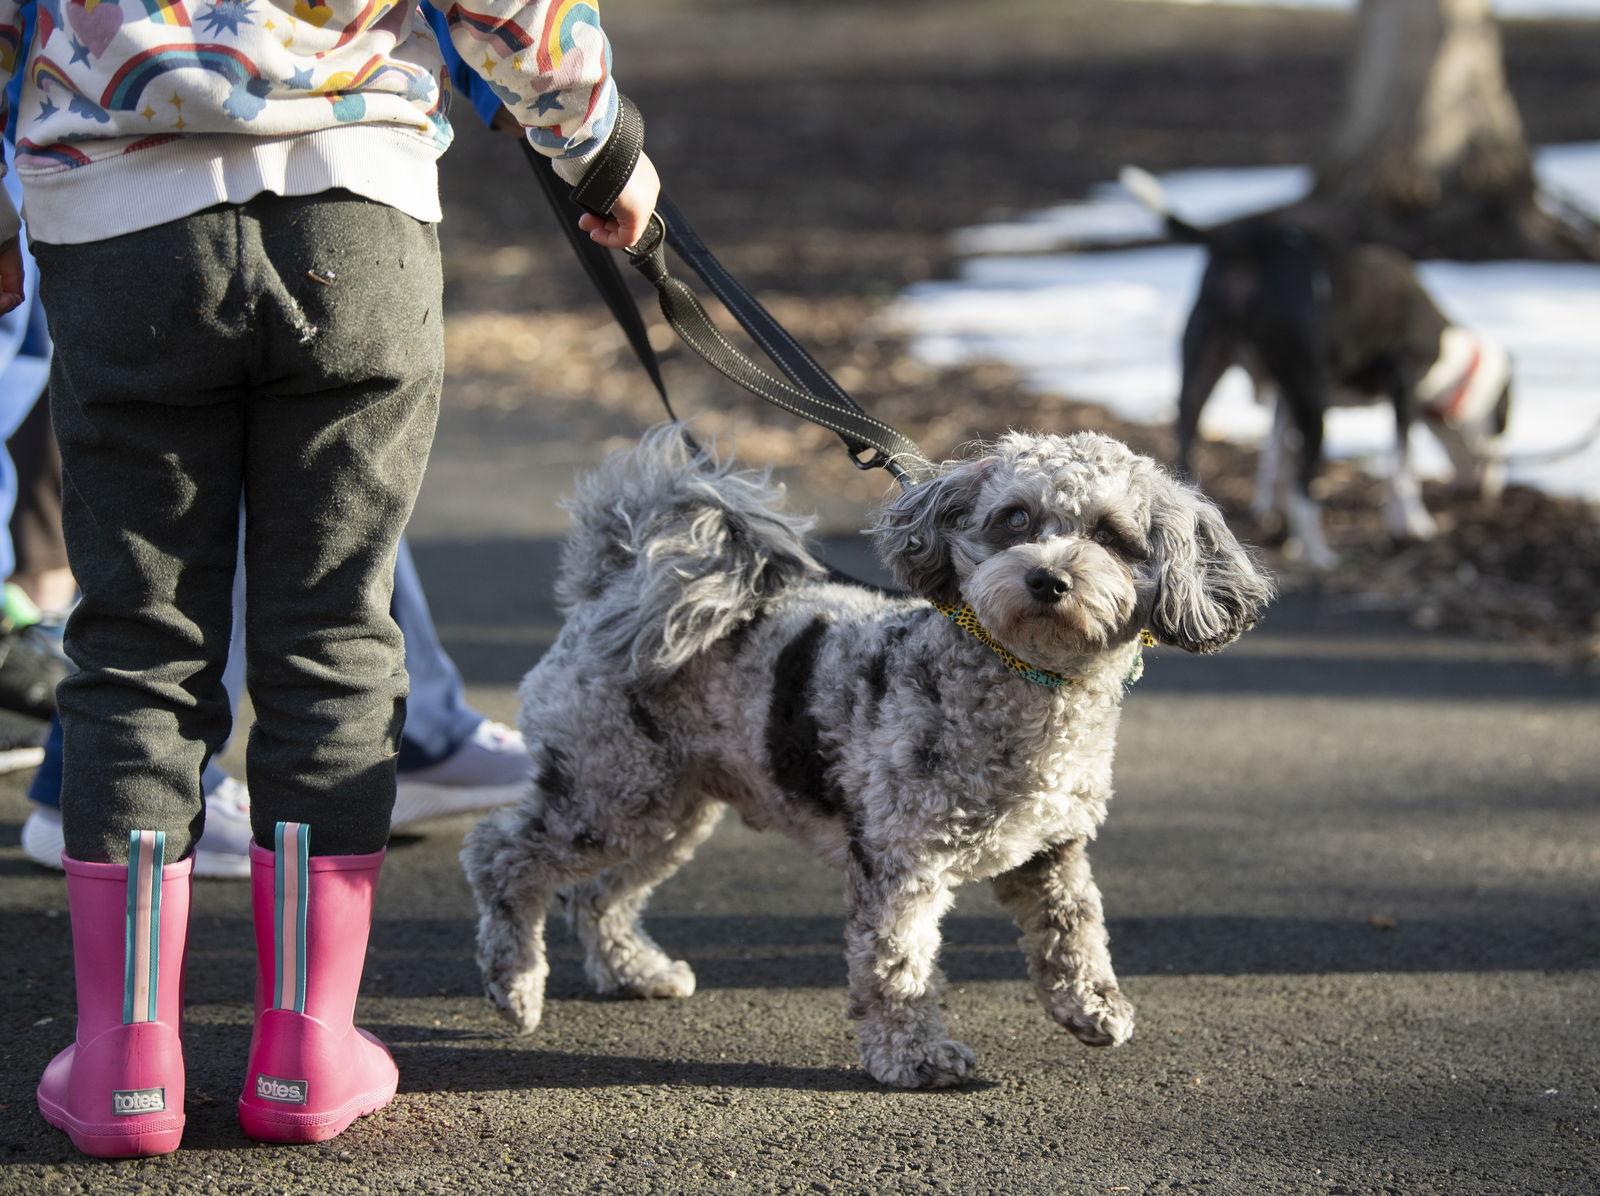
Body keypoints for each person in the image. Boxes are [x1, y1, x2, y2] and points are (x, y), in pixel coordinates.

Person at [3, 0, 658, 1159]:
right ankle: (305, 1049)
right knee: (333, 634)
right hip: (354, 201)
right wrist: (595, 141)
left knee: (136, 640)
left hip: (116, 218)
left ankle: (123, 1062)